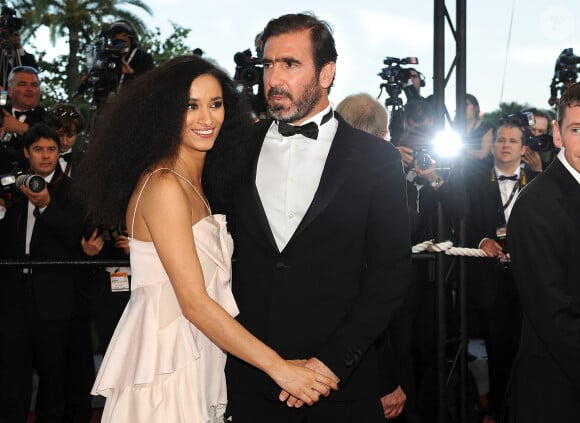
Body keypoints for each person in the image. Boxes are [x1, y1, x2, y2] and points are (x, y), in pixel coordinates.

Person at [76, 54, 337, 423]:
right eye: (191, 106)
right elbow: (195, 303)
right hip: (167, 364)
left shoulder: (195, 183)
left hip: (199, 353)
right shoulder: (164, 185)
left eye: (215, 104)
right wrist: (279, 368)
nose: (206, 118)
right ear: (164, 114)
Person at [225, 13, 411, 423]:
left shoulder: (376, 160)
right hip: (253, 383)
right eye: (268, 64)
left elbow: (391, 273)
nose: (274, 78)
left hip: (341, 385)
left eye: (290, 64)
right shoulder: (236, 150)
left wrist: (331, 363)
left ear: (326, 73)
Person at [0, 123, 86, 422]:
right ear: (27, 153)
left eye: (52, 149)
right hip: (13, 298)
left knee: (54, 379)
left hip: (55, 299)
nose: (46, 156)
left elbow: (76, 235)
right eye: (39, 149)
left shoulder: (74, 191)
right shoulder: (13, 187)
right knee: (12, 376)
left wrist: (47, 205)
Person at [506, 82, 580, 422]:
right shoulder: (536, 205)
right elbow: (554, 315)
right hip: (557, 393)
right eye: (577, 129)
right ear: (557, 133)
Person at [336, 92, 407, 421]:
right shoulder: (377, 182)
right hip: (360, 363)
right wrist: (387, 380)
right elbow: (376, 295)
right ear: (381, 136)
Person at [464, 122, 540, 421]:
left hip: (529, 281)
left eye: (513, 140)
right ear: (493, 145)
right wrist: (482, 240)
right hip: (491, 281)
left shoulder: (537, 180)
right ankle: (496, 409)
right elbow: (463, 222)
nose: (506, 145)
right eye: (500, 140)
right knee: (496, 351)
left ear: (524, 148)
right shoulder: (472, 182)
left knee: (530, 350)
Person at [0, 65, 46, 173]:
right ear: (10, 91)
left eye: (34, 85)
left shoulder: (48, 118)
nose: (29, 89)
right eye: (22, 84)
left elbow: (53, 140)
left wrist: (21, 128)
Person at [107, 19, 154, 92]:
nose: (120, 44)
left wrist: (132, 73)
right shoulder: (109, 60)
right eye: (116, 41)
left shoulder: (144, 57)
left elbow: (151, 84)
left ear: (132, 39)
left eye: (124, 36)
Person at [46, 103, 86, 178]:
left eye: (70, 136)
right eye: (60, 135)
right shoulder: (36, 156)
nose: (64, 142)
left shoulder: (86, 160)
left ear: (77, 134)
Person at [462, 93, 494, 175]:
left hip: (481, 173)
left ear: (476, 108)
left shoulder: (486, 127)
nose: (463, 108)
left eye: (466, 104)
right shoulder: (457, 128)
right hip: (461, 172)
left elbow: (483, 154)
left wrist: (463, 151)